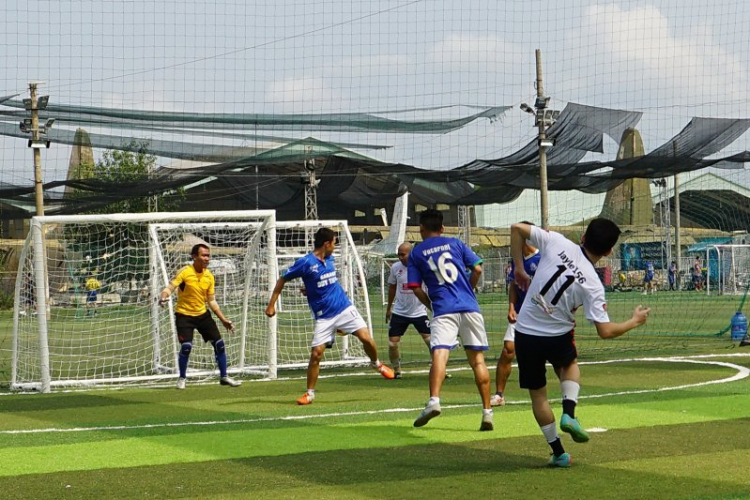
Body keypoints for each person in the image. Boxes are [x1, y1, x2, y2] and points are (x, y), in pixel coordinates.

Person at [511, 218, 650, 467]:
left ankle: (558, 452)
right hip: (558, 335)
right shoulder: (594, 285)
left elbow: (517, 228)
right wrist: (634, 321)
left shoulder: (556, 241)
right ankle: (569, 412)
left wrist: (519, 269)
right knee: (569, 365)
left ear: (583, 236)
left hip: (526, 333)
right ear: (608, 251)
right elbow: (605, 331)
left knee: (539, 396)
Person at [265, 228, 394, 405]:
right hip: (324, 317)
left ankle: (376, 364)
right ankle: (309, 394)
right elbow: (282, 279)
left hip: (344, 308)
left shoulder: (330, 259)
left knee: (367, 339)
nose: (335, 246)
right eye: (334, 242)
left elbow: (322, 281)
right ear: (327, 244)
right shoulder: (305, 262)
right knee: (316, 354)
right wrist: (271, 304)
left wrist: (310, 288)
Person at [408, 208, 493, 431]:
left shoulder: (416, 253)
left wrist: (431, 305)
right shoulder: (455, 243)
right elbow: (477, 268)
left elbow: (415, 287)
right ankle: (487, 413)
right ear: (443, 227)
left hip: (443, 309)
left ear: (421, 229)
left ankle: (434, 401)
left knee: (440, 354)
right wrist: (469, 290)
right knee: (478, 361)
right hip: (470, 307)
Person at [158, 243, 241, 390]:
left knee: (219, 344)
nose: (207, 258)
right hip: (184, 315)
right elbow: (170, 287)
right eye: (203, 255)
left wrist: (223, 320)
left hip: (203, 315)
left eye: (208, 255)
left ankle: (224, 377)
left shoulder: (209, 276)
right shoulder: (184, 272)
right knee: (186, 347)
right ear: (194, 256)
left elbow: (212, 301)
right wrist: (163, 296)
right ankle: (182, 378)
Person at [491, 227, 540, 407]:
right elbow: (513, 285)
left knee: (550, 355)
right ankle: (499, 395)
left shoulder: (544, 258)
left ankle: (568, 393)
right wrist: (511, 306)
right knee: (508, 350)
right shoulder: (517, 259)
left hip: (542, 316)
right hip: (520, 313)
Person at [385, 242, 431, 379]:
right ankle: (397, 370)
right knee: (392, 344)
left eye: (402, 254)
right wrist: (389, 308)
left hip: (419, 311)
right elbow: (392, 287)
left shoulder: (422, 266)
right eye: (398, 254)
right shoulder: (395, 268)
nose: (400, 257)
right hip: (400, 312)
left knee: (432, 342)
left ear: (411, 254)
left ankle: (438, 367)